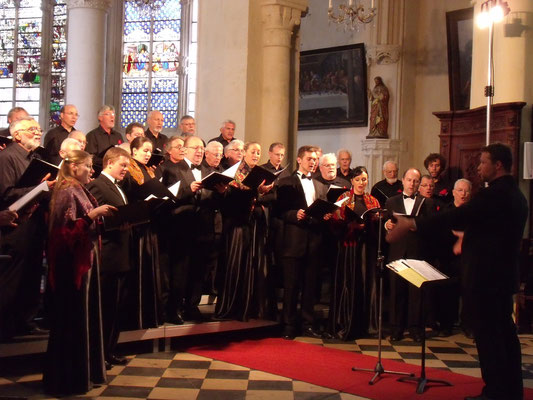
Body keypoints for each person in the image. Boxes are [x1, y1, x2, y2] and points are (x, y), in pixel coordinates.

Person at [388, 143, 527, 400]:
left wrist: (411, 223)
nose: (479, 167)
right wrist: (469, 236)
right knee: (505, 336)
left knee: (491, 340)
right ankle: (511, 391)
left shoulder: (493, 194)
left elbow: (458, 216)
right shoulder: (516, 195)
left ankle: (495, 393)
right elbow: (492, 231)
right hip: (503, 277)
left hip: (487, 279)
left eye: (483, 162)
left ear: (498, 165)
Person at [43, 149, 115, 395]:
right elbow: (64, 235)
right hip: (71, 267)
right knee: (70, 323)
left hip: (84, 262)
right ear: (74, 167)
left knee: (81, 320)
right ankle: (65, 381)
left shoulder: (77, 188)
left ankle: (80, 376)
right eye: (88, 166)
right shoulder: (66, 191)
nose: (92, 171)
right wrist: (93, 215)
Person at [0, 117, 54, 340]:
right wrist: (40, 187)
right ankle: (6, 325)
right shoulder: (7, 157)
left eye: (39, 129)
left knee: (31, 274)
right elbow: (6, 193)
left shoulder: (35, 158)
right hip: (14, 225)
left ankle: (26, 321)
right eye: (32, 129)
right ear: (17, 134)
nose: (37, 132)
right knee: (14, 277)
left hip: (34, 224)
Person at [216, 142, 275, 321]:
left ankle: (248, 307)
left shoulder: (258, 173)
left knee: (250, 266)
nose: (256, 155)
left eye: (259, 152)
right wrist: (255, 192)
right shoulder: (235, 172)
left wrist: (260, 192)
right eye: (253, 152)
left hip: (251, 225)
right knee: (235, 266)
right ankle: (231, 306)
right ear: (244, 153)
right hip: (235, 225)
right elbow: (231, 200)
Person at [276, 145, 328, 339]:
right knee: (291, 286)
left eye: (315, 159)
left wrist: (325, 215)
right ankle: (288, 325)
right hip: (293, 240)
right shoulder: (286, 182)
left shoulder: (320, 186)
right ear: (299, 160)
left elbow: (321, 211)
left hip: (314, 241)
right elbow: (279, 211)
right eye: (309, 159)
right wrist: (293, 214)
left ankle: (308, 324)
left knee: (310, 287)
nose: (313, 162)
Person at [86, 147, 132, 368]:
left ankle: (110, 350)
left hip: (120, 254)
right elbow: (91, 216)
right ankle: (98, 354)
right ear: (109, 163)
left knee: (115, 308)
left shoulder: (117, 186)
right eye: (123, 165)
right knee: (103, 309)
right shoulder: (97, 185)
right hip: (108, 255)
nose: (126, 169)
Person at [328, 166, 380, 340]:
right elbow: (335, 223)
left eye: (364, 179)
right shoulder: (343, 198)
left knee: (366, 283)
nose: (361, 183)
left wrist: (375, 221)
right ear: (352, 181)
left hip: (367, 247)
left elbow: (379, 225)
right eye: (357, 180)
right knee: (349, 282)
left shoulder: (372, 200)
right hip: (348, 246)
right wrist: (351, 225)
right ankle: (345, 323)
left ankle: (366, 326)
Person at [384, 168, 436, 342]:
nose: (412, 184)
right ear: (403, 181)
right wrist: (387, 226)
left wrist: (416, 225)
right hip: (397, 251)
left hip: (417, 252)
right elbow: (388, 223)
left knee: (416, 293)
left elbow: (430, 226)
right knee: (396, 292)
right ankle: (396, 329)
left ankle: (416, 329)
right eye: (409, 180)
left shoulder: (426, 203)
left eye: (416, 181)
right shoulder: (391, 202)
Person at [122, 137, 162, 328]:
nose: (148, 154)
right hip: (136, 225)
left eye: (150, 151)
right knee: (137, 270)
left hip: (149, 224)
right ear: (134, 151)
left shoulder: (148, 170)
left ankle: (147, 313)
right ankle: (134, 315)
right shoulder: (129, 169)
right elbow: (129, 193)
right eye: (144, 150)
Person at [86, 105, 124, 173]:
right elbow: (90, 157)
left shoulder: (118, 136)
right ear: (100, 118)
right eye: (108, 114)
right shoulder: (92, 135)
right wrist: (108, 162)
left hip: (117, 172)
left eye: (113, 114)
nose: (112, 116)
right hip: (99, 173)